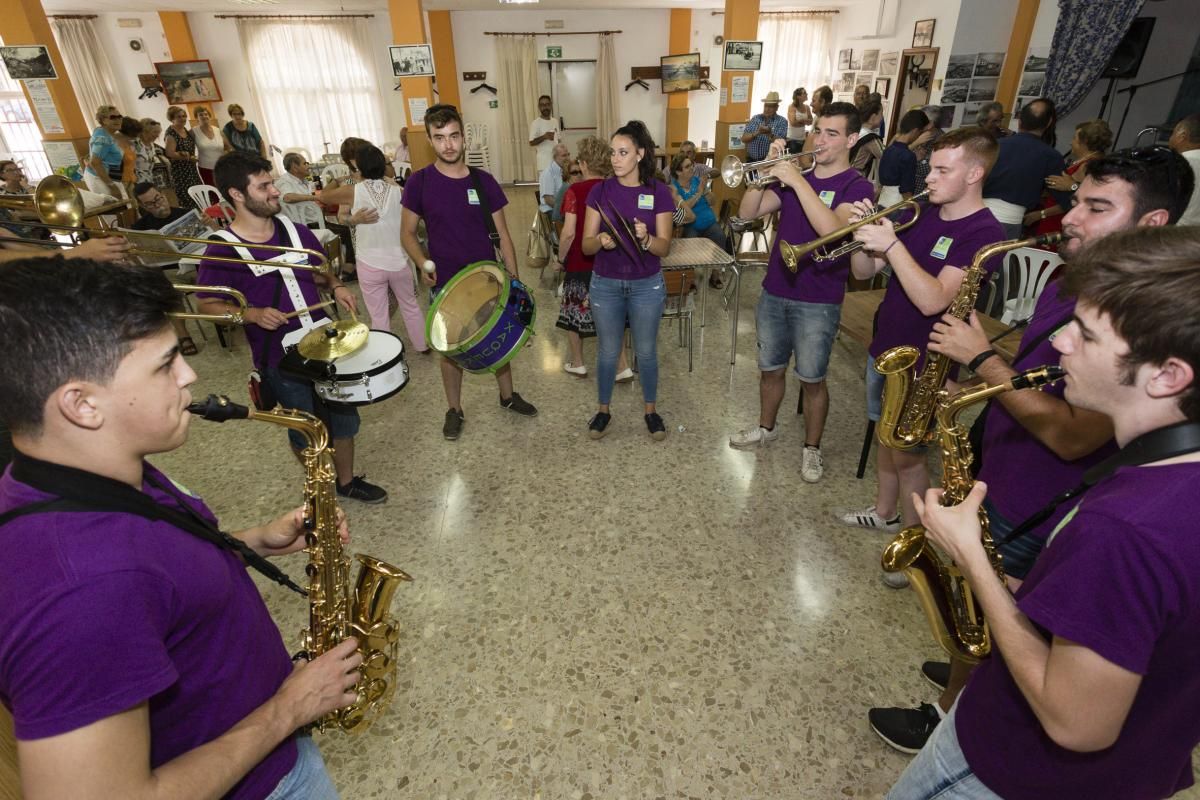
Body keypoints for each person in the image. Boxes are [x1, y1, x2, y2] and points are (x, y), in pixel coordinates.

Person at [868, 145, 1193, 755]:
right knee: (985, 614)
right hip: (1007, 468)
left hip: (1038, 495)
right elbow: (1041, 374)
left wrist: (983, 358)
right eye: (1075, 200)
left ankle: (948, 716)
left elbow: (1074, 432)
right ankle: (980, 667)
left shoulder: (1132, 317)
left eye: (1096, 207)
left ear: (1152, 225)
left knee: (995, 606)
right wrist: (983, 385)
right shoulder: (1075, 279)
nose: (1070, 217)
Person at [0, 256, 362, 800]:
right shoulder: (78, 590)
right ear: (81, 404)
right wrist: (290, 709)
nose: (189, 375)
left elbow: (151, 585)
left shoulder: (84, 471)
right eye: (165, 364)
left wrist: (251, 541)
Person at [195, 151, 388, 504]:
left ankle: (346, 482)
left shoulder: (295, 232)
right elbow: (206, 304)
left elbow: (321, 272)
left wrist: (338, 286)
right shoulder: (222, 248)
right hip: (281, 360)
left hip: (328, 345)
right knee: (305, 429)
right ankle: (322, 487)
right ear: (237, 194)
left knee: (343, 420)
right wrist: (251, 315)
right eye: (264, 185)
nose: (274, 191)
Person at [839, 127, 1005, 535]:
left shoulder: (984, 234)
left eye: (942, 170)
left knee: (909, 457)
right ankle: (884, 511)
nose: (928, 178)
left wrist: (892, 245)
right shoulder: (922, 213)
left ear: (974, 174)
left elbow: (934, 300)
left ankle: (913, 541)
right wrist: (864, 239)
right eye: (931, 168)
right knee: (885, 434)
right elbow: (864, 273)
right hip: (888, 348)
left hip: (927, 362)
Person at [728, 103, 875, 482]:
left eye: (832, 134)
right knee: (769, 369)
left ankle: (812, 448)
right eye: (818, 131)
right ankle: (765, 427)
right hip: (776, 288)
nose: (820, 140)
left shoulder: (855, 186)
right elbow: (749, 214)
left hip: (819, 298)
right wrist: (761, 175)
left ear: (852, 140)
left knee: (812, 378)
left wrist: (797, 181)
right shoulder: (798, 177)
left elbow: (833, 231)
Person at [401, 104, 537, 441]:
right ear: (431, 140)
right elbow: (406, 233)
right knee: (450, 351)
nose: (448, 145)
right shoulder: (419, 182)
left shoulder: (484, 181)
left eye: (454, 136)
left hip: (489, 280)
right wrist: (421, 263)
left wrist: (514, 278)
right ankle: (454, 409)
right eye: (440, 138)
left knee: (497, 338)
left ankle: (507, 396)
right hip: (446, 283)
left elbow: (503, 234)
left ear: (464, 137)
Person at [579, 120, 674, 441]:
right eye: (613, 152)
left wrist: (647, 240)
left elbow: (665, 246)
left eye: (623, 152)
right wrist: (601, 241)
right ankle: (603, 411)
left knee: (645, 352)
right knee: (607, 352)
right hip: (605, 284)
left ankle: (651, 411)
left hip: (647, 284)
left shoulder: (658, 192)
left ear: (640, 154)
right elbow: (585, 245)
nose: (616, 159)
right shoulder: (599, 191)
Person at [555, 135, 631, 381]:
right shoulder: (618, 189)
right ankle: (622, 366)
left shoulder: (574, 191)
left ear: (585, 164)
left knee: (573, 312)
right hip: (611, 264)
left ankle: (578, 363)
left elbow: (568, 233)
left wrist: (560, 258)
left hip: (580, 262)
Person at [349, 144, 427, 353]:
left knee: (378, 314)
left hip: (369, 262)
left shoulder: (353, 191)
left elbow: (323, 196)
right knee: (410, 305)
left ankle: (385, 354)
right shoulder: (400, 191)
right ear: (383, 166)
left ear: (360, 168)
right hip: (399, 260)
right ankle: (422, 345)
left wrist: (353, 218)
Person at [982, 98, 1068, 239]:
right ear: (1048, 123)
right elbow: (1067, 200)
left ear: (1020, 120)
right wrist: (1073, 187)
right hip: (1008, 223)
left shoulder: (994, 146)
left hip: (975, 216)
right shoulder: (1050, 156)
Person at [275, 151, 358, 279]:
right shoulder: (285, 181)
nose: (309, 166)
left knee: (347, 228)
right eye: (305, 163)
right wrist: (314, 198)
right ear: (294, 166)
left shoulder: (303, 181)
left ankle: (347, 266)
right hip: (302, 224)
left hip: (314, 219)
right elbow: (287, 197)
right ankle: (347, 268)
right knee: (347, 231)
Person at [1029, 119, 1112, 238]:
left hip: (1057, 219)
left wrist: (1041, 214)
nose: (1071, 142)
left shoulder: (1088, 165)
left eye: (1074, 138)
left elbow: (1078, 200)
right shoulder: (1085, 161)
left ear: (1085, 142)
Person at [669, 151, 728, 289]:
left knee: (720, 236)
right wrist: (699, 193)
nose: (692, 168)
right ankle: (691, 278)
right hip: (690, 225)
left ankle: (715, 274)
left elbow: (712, 201)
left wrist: (707, 193)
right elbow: (683, 208)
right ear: (678, 172)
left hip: (709, 222)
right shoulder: (674, 188)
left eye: (692, 165)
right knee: (689, 246)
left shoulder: (696, 181)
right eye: (688, 166)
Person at [877, 109, 929, 206]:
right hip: (898, 204)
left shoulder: (889, 149)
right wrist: (911, 207)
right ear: (915, 131)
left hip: (882, 201)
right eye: (921, 133)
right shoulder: (908, 156)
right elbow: (906, 190)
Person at [164, 105, 202, 211]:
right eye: (179, 117)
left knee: (198, 198)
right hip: (181, 173)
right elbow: (169, 153)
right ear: (172, 119)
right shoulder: (171, 134)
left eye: (184, 116)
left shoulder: (185, 130)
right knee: (189, 202)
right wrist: (188, 158)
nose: (183, 119)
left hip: (191, 170)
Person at [84, 104, 126, 199]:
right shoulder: (102, 137)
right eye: (113, 117)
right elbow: (95, 162)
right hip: (100, 179)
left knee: (126, 207)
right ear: (104, 120)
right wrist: (112, 187)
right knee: (118, 210)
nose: (118, 120)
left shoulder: (109, 134)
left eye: (120, 117)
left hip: (111, 177)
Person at [1168, 112, 1200, 226]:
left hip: (1167, 235)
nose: (1170, 139)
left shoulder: (1173, 166)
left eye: (1173, 133)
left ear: (1182, 136)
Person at [741, 92, 790, 162]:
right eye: (765, 106)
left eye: (770, 106)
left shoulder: (782, 121)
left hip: (769, 161)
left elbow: (781, 143)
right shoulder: (756, 118)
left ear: (777, 107)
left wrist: (769, 134)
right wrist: (757, 132)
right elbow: (743, 139)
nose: (767, 109)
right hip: (751, 160)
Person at [192, 106, 232, 186]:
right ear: (197, 118)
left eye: (206, 114)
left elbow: (228, 148)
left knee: (226, 189)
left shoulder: (218, 130)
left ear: (209, 116)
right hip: (205, 168)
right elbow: (188, 147)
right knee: (213, 193)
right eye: (201, 115)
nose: (204, 116)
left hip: (222, 167)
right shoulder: (193, 132)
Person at [851, 99, 885, 184]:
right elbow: (887, 156)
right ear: (873, 117)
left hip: (845, 173)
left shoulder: (854, 130)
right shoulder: (871, 138)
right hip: (857, 177)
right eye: (881, 114)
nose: (882, 117)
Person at [913, 104, 944, 196]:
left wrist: (915, 160)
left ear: (930, 124)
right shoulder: (917, 135)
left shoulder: (943, 141)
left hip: (924, 195)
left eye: (921, 119)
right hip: (910, 193)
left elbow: (935, 169)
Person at [132, 117, 171, 191]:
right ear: (145, 131)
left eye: (158, 132)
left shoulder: (153, 145)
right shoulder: (135, 145)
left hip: (153, 182)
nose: (157, 135)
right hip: (139, 184)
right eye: (155, 132)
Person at [529, 95, 560, 175]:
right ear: (539, 107)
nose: (545, 107)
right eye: (542, 105)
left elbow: (558, 140)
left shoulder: (555, 121)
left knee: (557, 187)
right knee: (546, 187)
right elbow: (531, 142)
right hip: (543, 164)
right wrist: (544, 136)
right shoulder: (536, 123)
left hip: (557, 162)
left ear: (551, 105)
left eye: (547, 104)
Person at [540, 143, 570, 216]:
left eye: (568, 154)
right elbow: (549, 200)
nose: (567, 158)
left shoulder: (567, 170)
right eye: (564, 155)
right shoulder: (548, 173)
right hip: (551, 210)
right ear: (555, 157)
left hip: (563, 207)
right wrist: (565, 209)